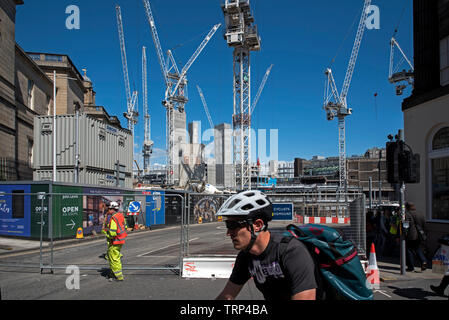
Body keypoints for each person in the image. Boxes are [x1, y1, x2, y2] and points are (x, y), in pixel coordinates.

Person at [215, 190, 317, 301]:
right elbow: (227, 296)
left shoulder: (292, 252)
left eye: (233, 225)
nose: (228, 233)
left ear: (258, 225)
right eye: (227, 225)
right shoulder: (245, 257)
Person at [104, 201, 127, 281]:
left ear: (112, 209)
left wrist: (107, 234)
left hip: (115, 241)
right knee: (113, 257)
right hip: (120, 240)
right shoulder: (120, 216)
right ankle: (113, 273)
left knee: (114, 259)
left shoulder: (114, 218)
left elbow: (112, 233)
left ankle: (118, 276)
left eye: (109, 208)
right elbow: (125, 226)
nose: (108, 210)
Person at [404, 202, 427, 272]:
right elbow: (424, 225)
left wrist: (404, 234)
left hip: (411, 236)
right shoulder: (420, 213)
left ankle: (411, 267)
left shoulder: (407, 214)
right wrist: (424, 234)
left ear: (407, 207)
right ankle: (424, 261)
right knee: (417, 248)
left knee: (409, 250)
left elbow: (406, 226)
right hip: (419, 235)